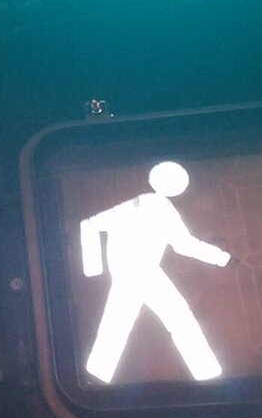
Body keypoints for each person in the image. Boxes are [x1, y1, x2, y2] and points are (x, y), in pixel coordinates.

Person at [79, 160, 231, 384]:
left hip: (129, 273)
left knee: (118, 323)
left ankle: (97, 374)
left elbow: (90, 223)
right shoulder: (161, 208)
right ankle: (207, 374)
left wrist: (93, 268)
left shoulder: (130, 205)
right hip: (143, 272)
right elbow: (184, 244)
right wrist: (220, 257)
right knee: (179, 319)